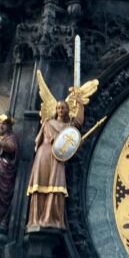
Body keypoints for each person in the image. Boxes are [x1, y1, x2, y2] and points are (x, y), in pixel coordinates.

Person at [26, 97, 84, 230]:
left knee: (57, 185)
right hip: (45, 154)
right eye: (58, 107)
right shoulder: (48, 123)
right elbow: (53, 140)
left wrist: (80, 105)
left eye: (63, 107)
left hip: (58, 157)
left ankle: (52, 218)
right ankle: (36, 219)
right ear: (55, 109)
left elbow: (79, 122)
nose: (60, 110)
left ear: (67, 110)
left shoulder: (68, 126)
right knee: (41, 184)